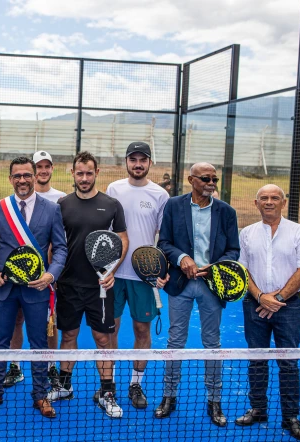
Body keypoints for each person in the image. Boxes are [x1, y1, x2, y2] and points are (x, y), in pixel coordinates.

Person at [0, 156, 67, 419]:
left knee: (39, 343)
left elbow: (61, 247)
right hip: (4, 287)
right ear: (10, 179)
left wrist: (51, 275)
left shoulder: (51, 209)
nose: (22, 180)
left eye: (27, 175)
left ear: (35, 176)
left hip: (37, 288)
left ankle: (40, 396)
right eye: (17, 176)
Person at [155, 162, 240, 427]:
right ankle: (169, 397)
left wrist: (214, 267)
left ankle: (214, 401)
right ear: (191, 180)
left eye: (214, 178)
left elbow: (233, 251)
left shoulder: (227, 212)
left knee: (212, 344)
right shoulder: (173, 205)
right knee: (175, 341)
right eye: (205, 178)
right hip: (180, 283)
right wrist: (182, 259)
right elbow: (164, 243)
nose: (211, 182)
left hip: (212, 286)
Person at [235, 184, 300, 441]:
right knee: (257, 360)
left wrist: (278, 298)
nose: (269, 202)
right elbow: (243, 270)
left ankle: (290, 416)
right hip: (254, 304)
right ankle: (258, 409)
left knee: (288, 362)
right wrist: (261, 296)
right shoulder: (247, 233)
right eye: (264, 198)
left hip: (288, 306)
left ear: (283, 202)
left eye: (274, 198)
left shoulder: (299, 232)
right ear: (255, 203)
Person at [50, 151, 127, 418]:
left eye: (89, 173)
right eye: (80, 173)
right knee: (68, 336)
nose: (84, 178)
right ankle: (64, 385)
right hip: (68, 285)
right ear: (72, 173)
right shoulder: (61, 204)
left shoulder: (112, 204)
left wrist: (112, 270)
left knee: (103, 339)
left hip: (101, 288)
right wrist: (54, 275)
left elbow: (122, 240)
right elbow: (54, 244)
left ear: (97, 173)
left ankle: (107, 392)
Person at [105, 142, 170, 409]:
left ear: (150, 163)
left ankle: (136, 383)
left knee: (142, 329)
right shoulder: (114, 189)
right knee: (111, 330)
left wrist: (161, 271)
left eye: (143, 159)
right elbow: (106, 232)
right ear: (126, 162)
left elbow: (164, 238)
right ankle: (108, 386)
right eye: (133, 159)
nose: (138, 164)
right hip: (114, 275)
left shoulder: (160, 195)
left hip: (145, 277)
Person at [6, 151, 67, 387]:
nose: (42, 170)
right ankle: (15, 366)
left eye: (46, 166)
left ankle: (50, 367)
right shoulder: (9, 204)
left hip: (48, 276)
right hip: (18, 277)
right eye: (38, 166)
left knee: (49, 322)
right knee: (16, 321)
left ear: (51, 169)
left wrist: (53, 273)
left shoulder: (60, 200)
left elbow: (60, 241)